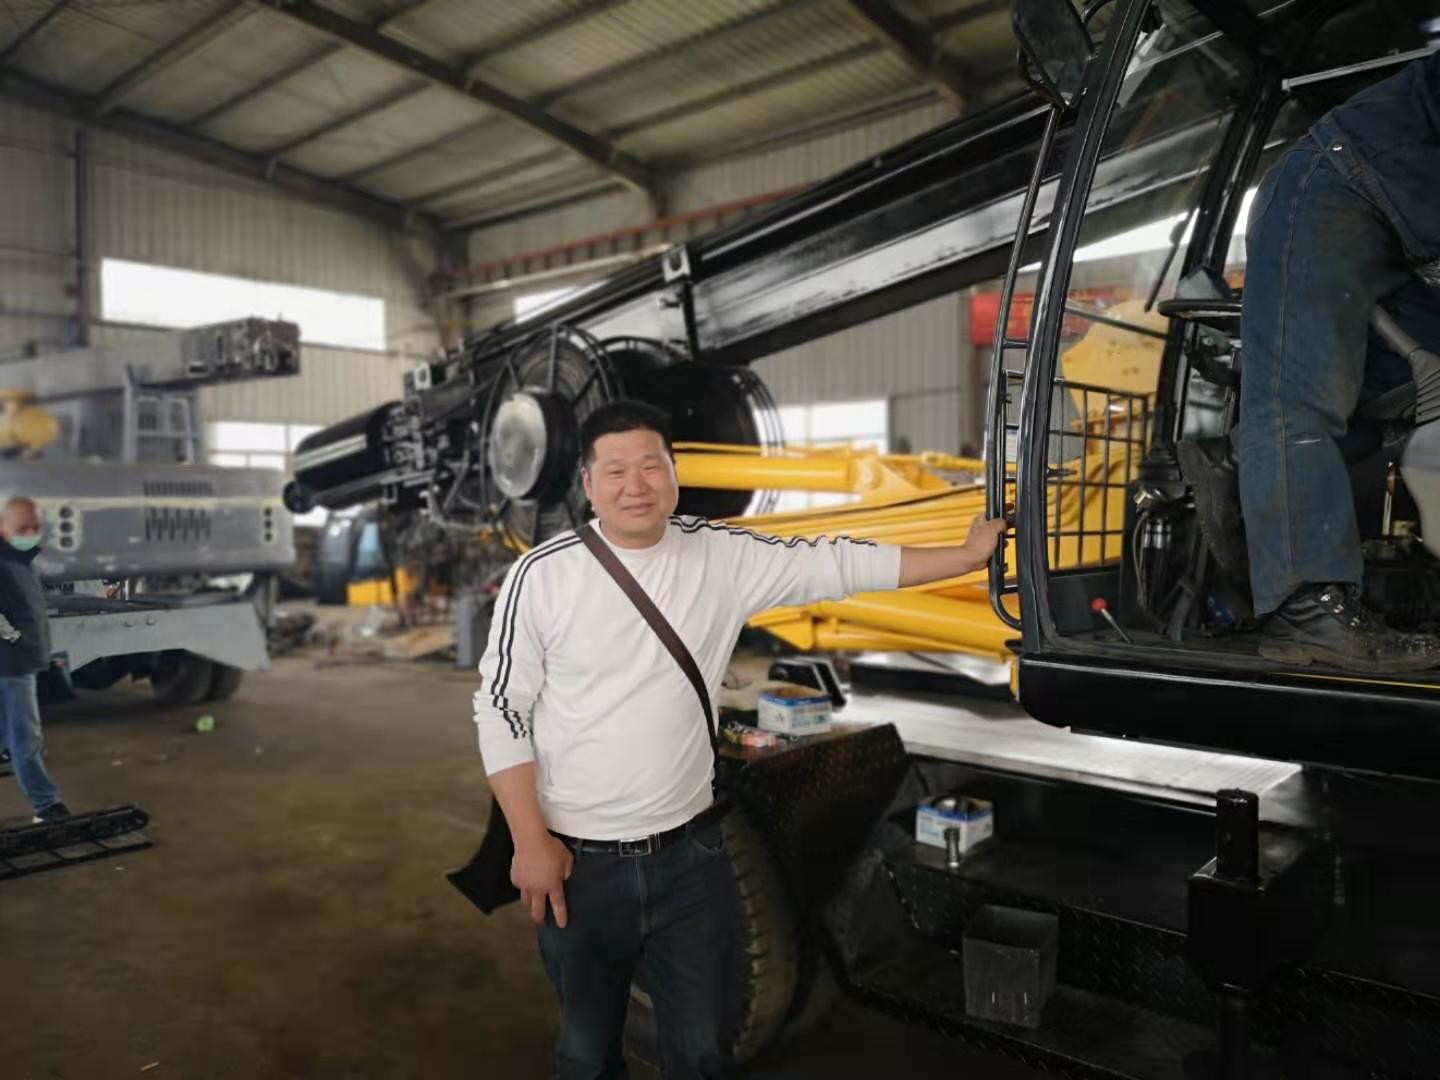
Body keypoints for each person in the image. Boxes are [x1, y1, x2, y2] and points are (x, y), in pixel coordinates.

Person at [473, 400, 1005, 1079]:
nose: (635, 485)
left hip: (692, 861)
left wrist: (963, 556)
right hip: (583, 866)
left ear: (674, 472)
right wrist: (529, 841)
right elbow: (501, 708)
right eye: (615, 471)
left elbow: (837, 565)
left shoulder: (721, 555)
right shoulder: (543, 575)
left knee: (703, 1052)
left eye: (651, 466)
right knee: (587, 1054)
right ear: (587, 483)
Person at [1234, 51, 1440, 671]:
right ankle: (1308, 610)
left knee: (1375, 411)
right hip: (1338, 186)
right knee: (1300, 398)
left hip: (1407, 233)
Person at [0, 496, 70, 823]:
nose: (30, 533)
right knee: (26, 737)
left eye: (35, 527)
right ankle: (46, 805)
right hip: (13, 661)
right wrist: (11, 636)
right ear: (3, 527)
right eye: (22, 527)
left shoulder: (21, 560)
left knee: (11, 731)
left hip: (23, 656)